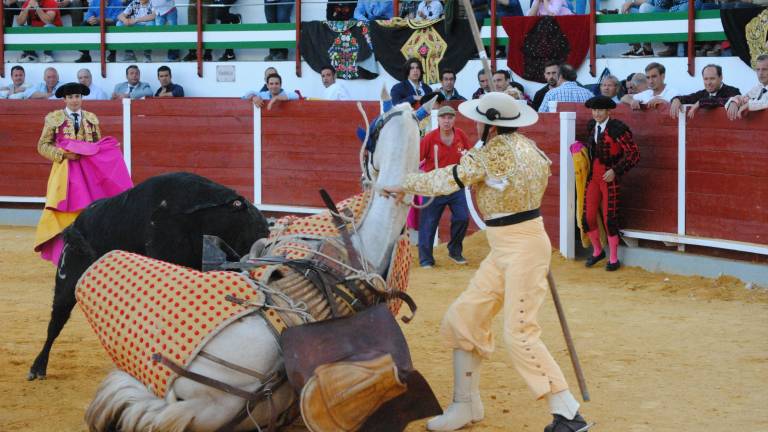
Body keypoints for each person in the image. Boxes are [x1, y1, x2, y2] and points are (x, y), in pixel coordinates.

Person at [381, 92, 591, 432]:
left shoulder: (491, 154)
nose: (475, 123)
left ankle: (568, 414)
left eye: (480, 119)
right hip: (508, 245)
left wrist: (402, 183)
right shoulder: (528, 148)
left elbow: (447, 179)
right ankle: (466, 406)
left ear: (491, 123)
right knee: (465, 317)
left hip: (521, 249)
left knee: (520, 333)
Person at [34, 83, 100, 264]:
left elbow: (98, 146)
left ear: (82, 98)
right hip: (63, 171)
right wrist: (63, 154)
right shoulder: (54, 119)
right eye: (70, 97)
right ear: (64, 100)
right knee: (61, 209)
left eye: (77, 96)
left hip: (86, 172)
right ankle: (62, 252)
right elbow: (42, 146)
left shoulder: (91, 119)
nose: (74, 100)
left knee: (89, 209)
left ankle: (89, 251)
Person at [581, 95, 639, 271]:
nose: (596, 113)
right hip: (593, 178)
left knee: (609, 219)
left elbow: (633, 154)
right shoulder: (592, 127)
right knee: (588, 217)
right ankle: (598, 251)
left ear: (608, 111)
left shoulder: (617, 129)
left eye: (600, 110)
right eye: (594, 110)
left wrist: (615, 170)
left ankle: (614, 258)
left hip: (609, 179)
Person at [416, 105, 471, 268]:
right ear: (438, 120)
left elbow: (469, 157)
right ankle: (426, 259)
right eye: (443, 118)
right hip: (434, 186)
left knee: (462, 217)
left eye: (450, 117)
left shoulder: (461, 135)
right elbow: (416, 159)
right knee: (429, 223)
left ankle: (454, 250)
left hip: (455, 184)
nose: (447, 121)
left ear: (454, 119)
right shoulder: (429, 138)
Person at [669, 64, 740, 119]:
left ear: (721, 77)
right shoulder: (702, 93)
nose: (708, 83)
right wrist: (676, 99)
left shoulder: (733, 91)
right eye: (705, 79)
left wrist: (701, 102)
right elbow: (687, 98)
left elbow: (720, 100)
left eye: (712, 79)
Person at [726, 54, 768, 120]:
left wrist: (749, 105)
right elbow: (742, 98)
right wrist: (733, 102)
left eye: (764, 69)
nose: (760, 73)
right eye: (758, 69)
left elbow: (766, 102)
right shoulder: (758, 88)